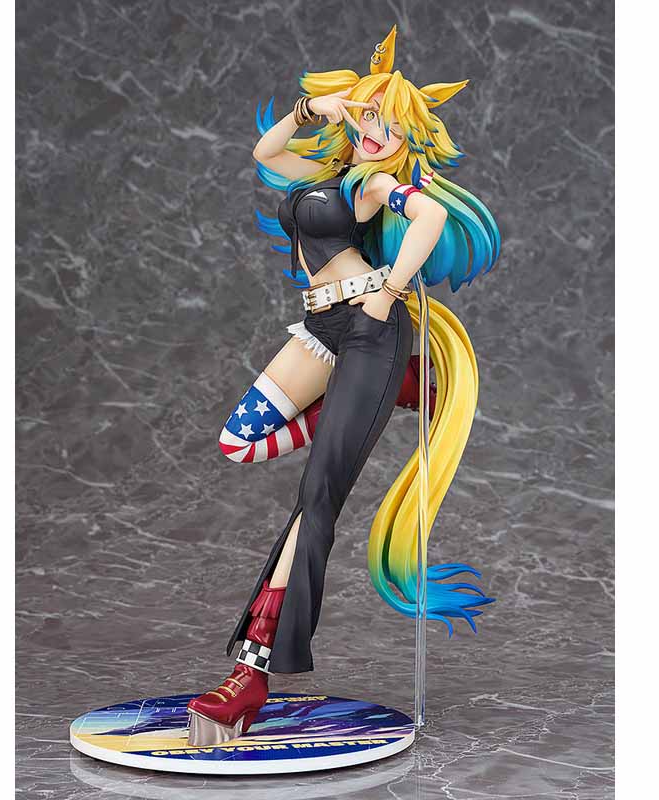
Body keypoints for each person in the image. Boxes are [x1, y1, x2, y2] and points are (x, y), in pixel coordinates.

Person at [186, 25, 501, 746]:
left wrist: (389, 292)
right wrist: (312, 110)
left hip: (367, 331)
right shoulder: (328, 172)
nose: (375, 132)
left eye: (391, 125)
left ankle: (253, 670)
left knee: (316, 498)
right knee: (239, 440)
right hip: (320, 329)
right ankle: (389, 393)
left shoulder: (375, 183)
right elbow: (265, 154)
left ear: (407, 137)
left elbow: (432, 215)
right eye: (369, 116)